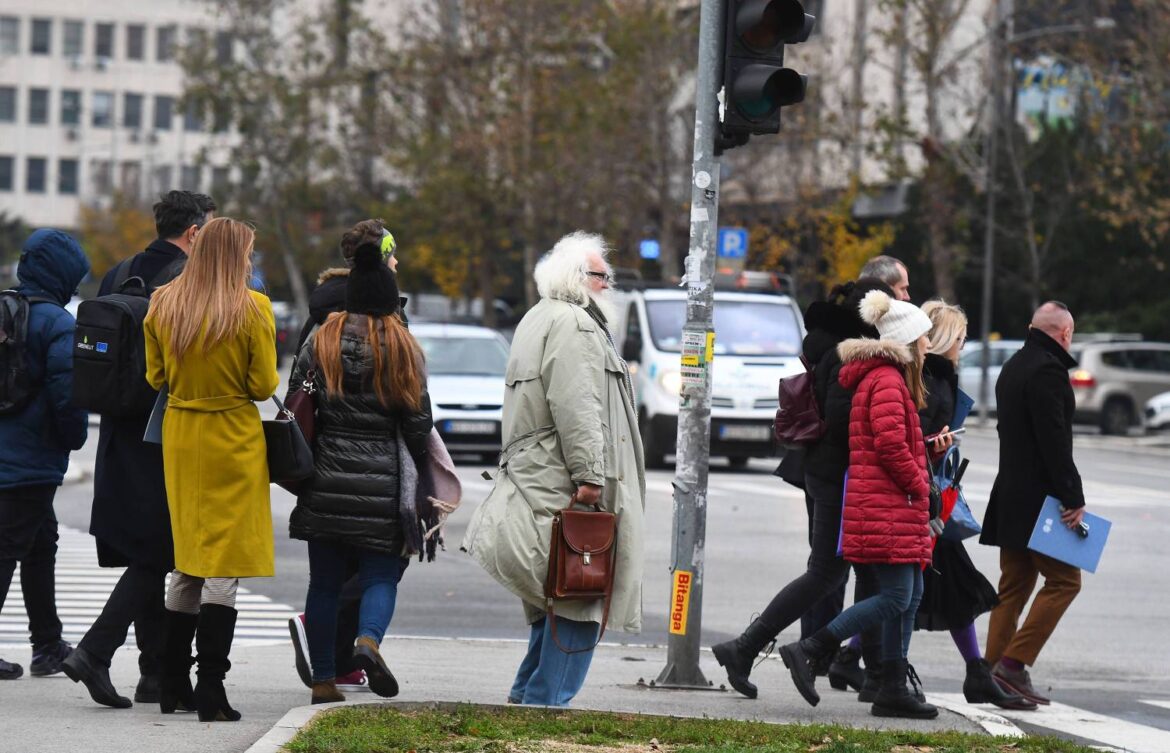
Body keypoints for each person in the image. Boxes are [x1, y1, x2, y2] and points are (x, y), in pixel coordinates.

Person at [462, 231, 646, 707]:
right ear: (578, 279)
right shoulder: (576, 326)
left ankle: (526, 700)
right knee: (579, 601)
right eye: (603, 276)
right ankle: (545, 707)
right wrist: (590, 477)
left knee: (557, 597)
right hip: (566, 484)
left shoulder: (538, 318)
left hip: (538, 478)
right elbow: (577, 406)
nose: (610, 285)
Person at [62, 191, 216, 710]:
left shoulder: (119, 272)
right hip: (165, 430)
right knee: (162, 550)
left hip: (118, 431)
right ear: (194, 232)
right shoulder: (187, 282)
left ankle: (152, 675)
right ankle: (95, 651)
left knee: (145, 545)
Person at [714, 279, 889, 700]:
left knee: (862, 573)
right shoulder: (847, 349)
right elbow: (841, 419)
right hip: (836, 475)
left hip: (826, 472)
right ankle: (753, 648)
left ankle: (877, 675)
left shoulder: (832, 341)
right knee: (827, 572)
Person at [143, 217, 280, 722]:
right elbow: (264, 384)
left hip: (182, 434)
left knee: (188, 557)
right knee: (224, 563)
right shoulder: (252, 308)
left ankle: (172, 681)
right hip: (232, 435)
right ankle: (211, 687)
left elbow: (155, 374)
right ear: (235, 255)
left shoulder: (162, 303)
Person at [778, 290, 938, 719]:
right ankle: (813, 647)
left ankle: (892, 683)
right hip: (886, 503)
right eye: (924, 337)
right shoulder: (886, 380)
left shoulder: (887, 378)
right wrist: (921, 485)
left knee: (911, 592)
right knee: (895, 596)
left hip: (888, 502)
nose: (928, 345)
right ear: (906, 341)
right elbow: (889, 445)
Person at [287, 238, 433, 705]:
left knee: (324, 584)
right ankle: (368, 642)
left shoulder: (322, 338)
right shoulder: (403, 346)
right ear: (390, 300)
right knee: (379, 577)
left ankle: (324, 680)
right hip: (382, 486)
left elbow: (297, 398)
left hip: (324, 478)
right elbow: (418, 423)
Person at [913, 301, 1035, 710]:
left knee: (914, 591)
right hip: (924, 502)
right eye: (961, 340)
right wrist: (936, 448)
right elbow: (915, 444)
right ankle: (830, 650)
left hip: (927, 500)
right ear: (945, 338)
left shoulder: (928, 377)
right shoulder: (934, 381)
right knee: (930, 590)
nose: (962, 348)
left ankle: (845, 655)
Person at [981, 301, 1085, 706]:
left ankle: (988, 671)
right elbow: (1053, 439)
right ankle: (1013, 663)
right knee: (1064, 582)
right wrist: (1072, 496)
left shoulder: (1014, 367)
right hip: (1041, 502)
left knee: (1014, 585)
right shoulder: (1048, 372)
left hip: (1010, 494)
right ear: (1065, 334)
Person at [0, 230, 90, 681]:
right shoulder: (58, 323)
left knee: (40, 545)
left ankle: (48, 644)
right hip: (31, 462)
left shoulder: (5, 310)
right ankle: (48, 644)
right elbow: (67, 395)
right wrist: (74, 439)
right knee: (8, 549)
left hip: (10, 458)